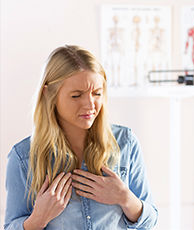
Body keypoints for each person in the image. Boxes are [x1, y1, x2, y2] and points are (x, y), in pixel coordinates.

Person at [4, 45, 158, 230]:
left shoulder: (126, 143)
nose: (90, 104)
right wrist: (38, 218)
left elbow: (150, 223)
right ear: (49, 94)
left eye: (97, 93)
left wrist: (125, 198)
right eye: (76, 96)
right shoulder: (23, 158)